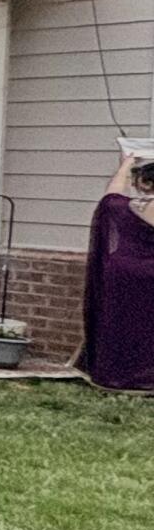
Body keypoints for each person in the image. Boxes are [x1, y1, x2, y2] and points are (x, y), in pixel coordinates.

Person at [79, 145, 154, 392]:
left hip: (123, 273)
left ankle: (117, 376)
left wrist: (126, 164)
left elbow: (110, 196)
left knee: (122, 326)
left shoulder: (125, 207)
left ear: (143, 182)